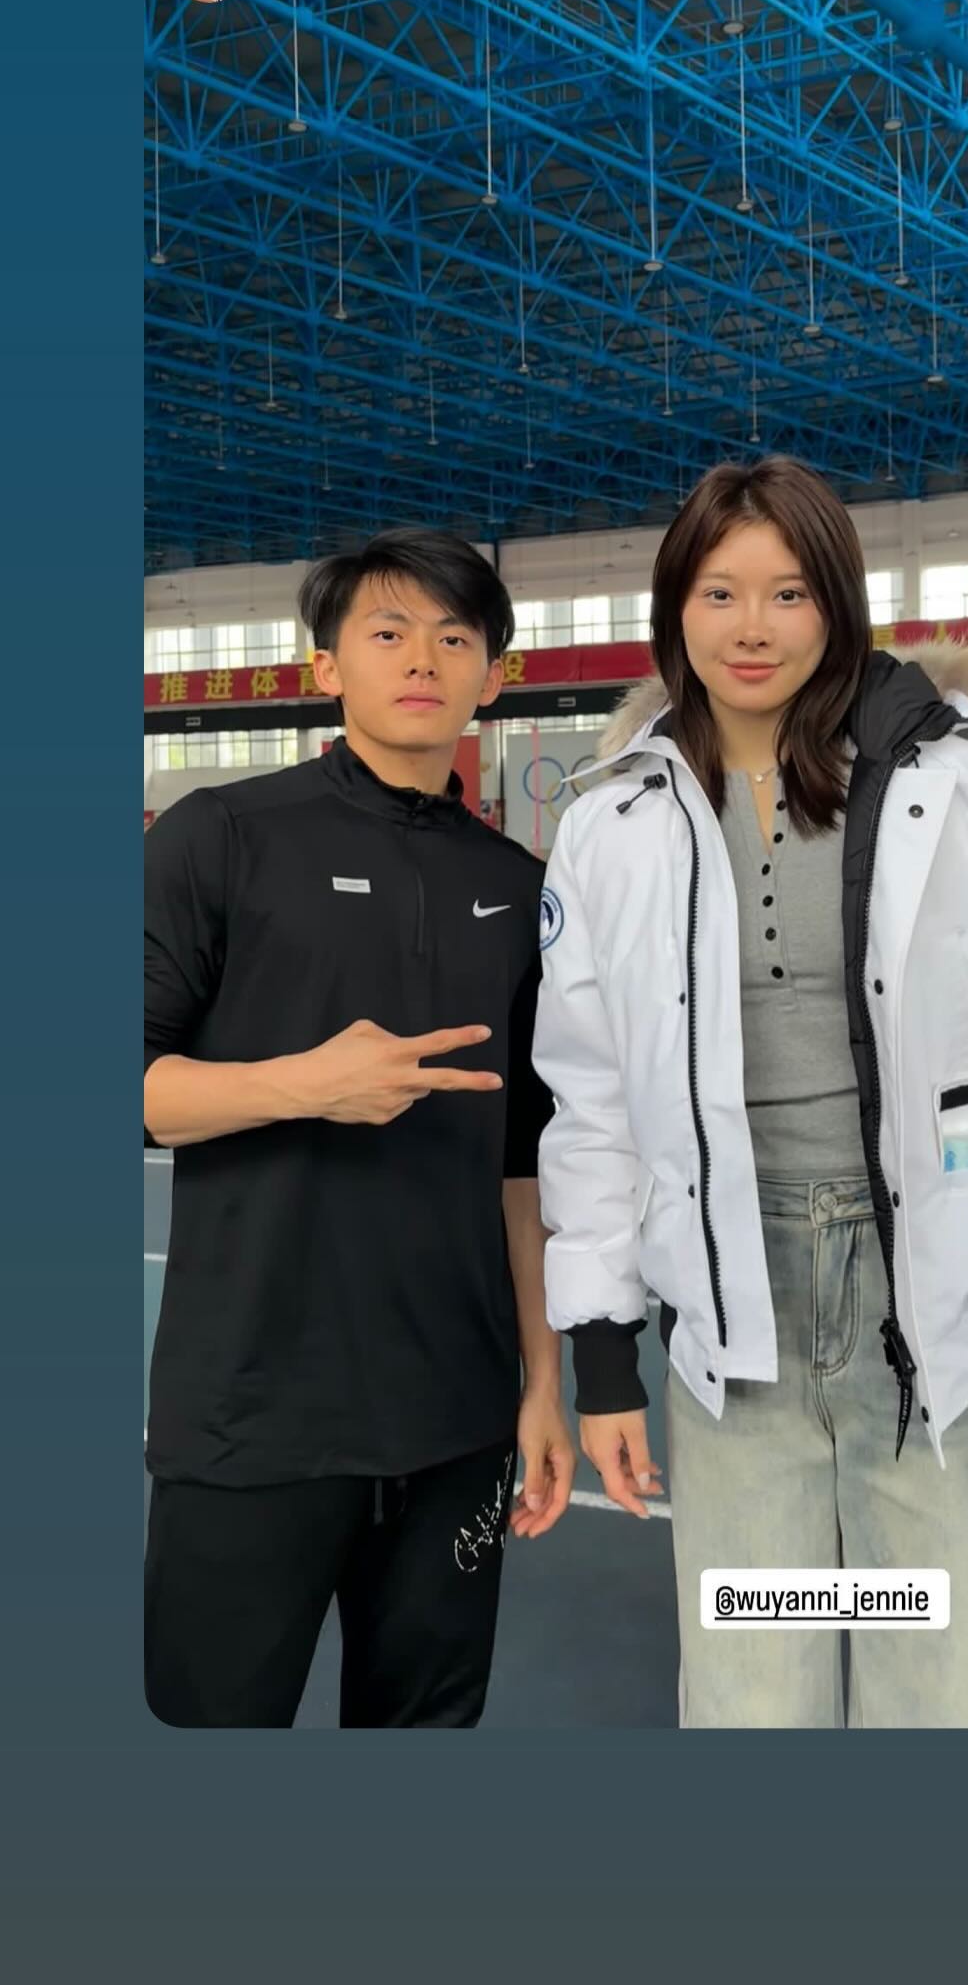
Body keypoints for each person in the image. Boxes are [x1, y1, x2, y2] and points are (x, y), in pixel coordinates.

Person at [533, 459, 968, 1729]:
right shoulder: (615, 824)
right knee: (753, 1688)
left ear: (839, 604)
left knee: (935, 1685)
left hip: (927, 1293)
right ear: (675, 605)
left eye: (790, 592)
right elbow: (590, 1100)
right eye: (719, 591)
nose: (751, 627)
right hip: (728, 1304)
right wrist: (600, 1351)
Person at [144, 527, 574, 1727]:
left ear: (495, 676)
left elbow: (525, 1166)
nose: (422, 658)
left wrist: (544, 1383)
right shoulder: (220, 836)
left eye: (454, 637)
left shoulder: (519, 886)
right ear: (325, 665)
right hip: (251, 1415)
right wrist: (301, 1085)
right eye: (388, 632)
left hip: (456, 1420)